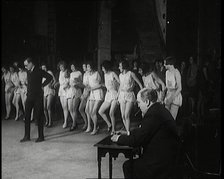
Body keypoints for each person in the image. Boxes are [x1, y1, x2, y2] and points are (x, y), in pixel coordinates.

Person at [111, 88, 179, 179]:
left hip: (161, 163)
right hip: (169, 157)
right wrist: (127, 133)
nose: (138, 106)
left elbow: (137, 140)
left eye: (139, 102)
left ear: (147, 102)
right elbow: (143, 131)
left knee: (128, 166)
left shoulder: (152, 114)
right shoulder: (158, 109)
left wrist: (118, 138)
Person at [20, 57, 52, 143]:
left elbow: (50, 77)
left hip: (38, 97)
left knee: (39, 116)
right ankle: (27, 136)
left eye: (26, 65)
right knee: (27, 116)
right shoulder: (28, 71)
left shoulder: (39, 71)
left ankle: (41, 136)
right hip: (29, 97)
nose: (25, 67)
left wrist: (42, 85)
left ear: (31, 63)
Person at [118, 60, 143, 135]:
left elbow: (139, 83)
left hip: (130, 95)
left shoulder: (131, 74)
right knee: (122, 115)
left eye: (120, 66)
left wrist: (141, 93)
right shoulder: (120, 75)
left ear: (124, 66)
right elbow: (120, 86)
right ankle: (127, 131)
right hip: (122, 95)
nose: (119, 67)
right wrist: (117, 96)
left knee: (126, 115)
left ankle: (128, 132)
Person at [98, 60, 120, 135]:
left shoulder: (113, 73)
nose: (102, 70)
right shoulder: (105, 75)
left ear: (107, 68)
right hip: (108, 95)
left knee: (111, 113)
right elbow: (107, 85)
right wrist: (101, 85)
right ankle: (109, 124)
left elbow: (120, 82)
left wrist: (116, 85)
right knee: (100, 111)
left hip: (114, 94)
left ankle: (113, 130)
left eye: (103, 68)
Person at [85, 61, 104, 135]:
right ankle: (96, 126)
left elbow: (101, 84)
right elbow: (88, 85)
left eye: (88, 67)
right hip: (92, 94)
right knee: (90, 112)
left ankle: (95, 128)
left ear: (91, 67)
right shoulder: (88, 75)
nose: (87, 68)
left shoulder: (97, 73)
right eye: (87, 67)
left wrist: (92, 88)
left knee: (93, 112)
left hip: (98, 93)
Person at [66, 62, 82, 131]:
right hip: (71, 90)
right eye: (71, 66)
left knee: (74, 108)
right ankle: (75, 122)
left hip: (77, 90)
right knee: (70, 108)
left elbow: (81, 82)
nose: (72, 68)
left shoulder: (79, 73)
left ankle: (74, 124)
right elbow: (70, 82)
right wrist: (68, 85)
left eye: (73, 66)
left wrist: (77, 83)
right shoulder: (71, 74)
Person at [57, 61, 70, 128]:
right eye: (60, 67)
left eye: (62, 67)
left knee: (65, 106)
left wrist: (65, 86)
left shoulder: (67, 71)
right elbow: (60, 81)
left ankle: (66, 121)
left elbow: (68, 81)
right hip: (61, 89)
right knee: (63, 107)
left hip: (66, 89)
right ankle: (66, 120)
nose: (61, 68)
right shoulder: (60, 72)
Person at [78, 63, 90, 130]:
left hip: (89, 94)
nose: (83, 67)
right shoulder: (85, 74)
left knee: (87, 110)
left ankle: (89, 124)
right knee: (81, 109)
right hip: (85, 92)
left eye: (84, 66)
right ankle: (86, 123)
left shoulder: (89, 74)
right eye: (83, 66)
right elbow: (84, 85)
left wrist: (85, 95)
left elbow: (89, 86)